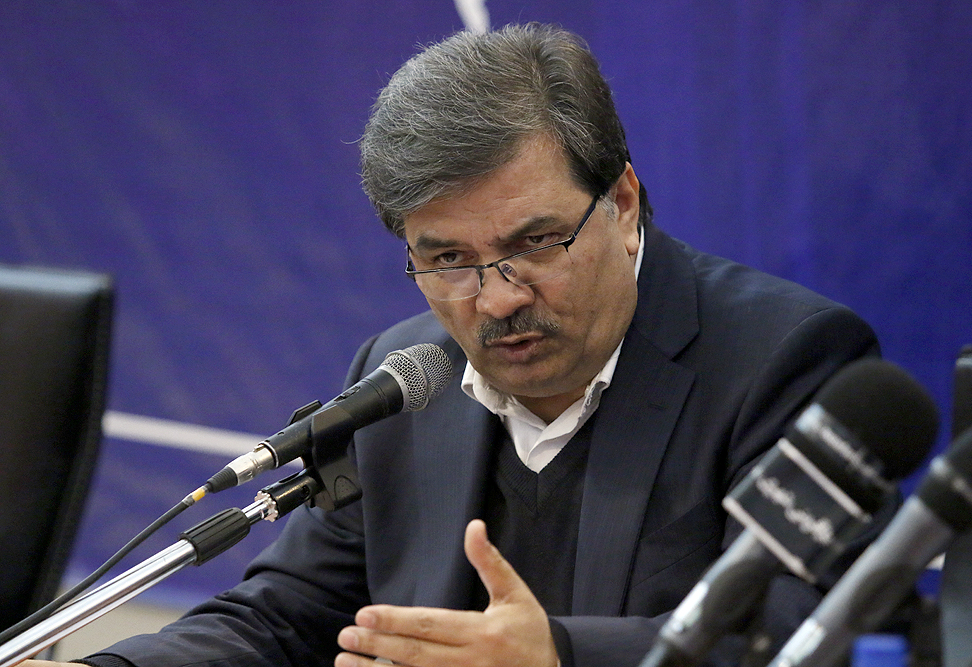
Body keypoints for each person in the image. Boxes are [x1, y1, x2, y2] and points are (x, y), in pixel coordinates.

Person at [25, 22, 882, 667]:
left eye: (536, 242)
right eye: (446, 260)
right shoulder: (404, 379)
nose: (497, 298)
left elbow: (802, 630)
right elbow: (285, 613)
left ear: (622, 205)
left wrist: (560, 656)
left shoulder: (788, 362)